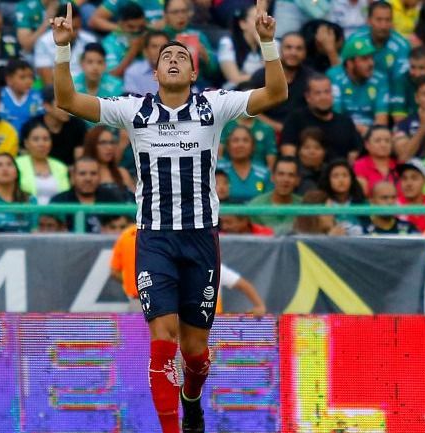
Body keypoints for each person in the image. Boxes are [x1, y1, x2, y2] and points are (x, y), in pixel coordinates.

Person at [50, 0, 287, 429]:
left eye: (182, 57)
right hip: (154, 238)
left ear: (194, 73)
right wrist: (64, 49)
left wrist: (268, 43)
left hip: (200, 238)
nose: (174, 60)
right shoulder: (134, 109)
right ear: (155, 73)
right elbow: (66, 98)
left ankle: (192, 398)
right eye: (166, 57)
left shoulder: (213, 106)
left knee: (195, 353)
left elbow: (276, 93)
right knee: (163, 341)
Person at [111, 224, 268, 314]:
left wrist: (259, 306)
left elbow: (243, 284)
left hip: (208, 322)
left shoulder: (216, 268)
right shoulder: (177, 265)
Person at [345, 1, 410, 112]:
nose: (383, 25)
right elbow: (344, 73)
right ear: (369, 21)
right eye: (379, 20)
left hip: (392, 99)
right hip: (358, 98)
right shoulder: (355, 41)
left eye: (387, 20)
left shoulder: (402, 46)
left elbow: (399, 82)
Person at [280, 74, 361, 161]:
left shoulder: (345, 122)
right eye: (318, 93)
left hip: (338, 172)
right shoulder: (295, 120)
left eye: (327, 92)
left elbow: (355, 154)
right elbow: (288, 155)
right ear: (308, 97)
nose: (323, 97)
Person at [248, 31, 310, 132]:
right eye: (288, 47)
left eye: (299, 48)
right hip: (265, 131)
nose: (293, 53)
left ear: (305, 53)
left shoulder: (311, 79)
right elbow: (249, 109)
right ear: (280, 50)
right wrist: (276, 127)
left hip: (300, 133)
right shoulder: (260, 76)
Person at [328, 37, 389, 134]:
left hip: (371, 135)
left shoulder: (380, 79)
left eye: (371, 58)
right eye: (364, 59)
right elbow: (336, 118)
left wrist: (369, 134)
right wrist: (361, 129)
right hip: (343, 132)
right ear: (350, 63)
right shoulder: (334, 76)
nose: (371, 63)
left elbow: (381, 121)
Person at [49, 157, 127, 232]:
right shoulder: (59, 201)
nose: (88, 178)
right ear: (73, 176)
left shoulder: (112, 199)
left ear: (99, 176)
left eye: (93, 173)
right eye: (82, 174)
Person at [21, 85, 88, 167]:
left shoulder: (78, 125)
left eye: (69, 103)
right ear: (47, 106)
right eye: (62, 104)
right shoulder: (32, 126)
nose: (67, 109)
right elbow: (24, 156)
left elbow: (80, 159)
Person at [34, 3, 96, 86]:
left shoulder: (90, 40)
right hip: (57, 89)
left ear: (81, 23)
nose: (72, 32)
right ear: (58, 24)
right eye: (68, 27)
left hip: (84, 90)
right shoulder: (44, 41)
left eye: (76, 28)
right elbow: (47, 79)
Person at [15, 121, 69, 204]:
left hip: (56, 214)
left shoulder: (60, 167)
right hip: (27, 214)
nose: (41, 144)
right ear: (26, 143)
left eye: (46, 139)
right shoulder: (17, 164)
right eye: (36, 139)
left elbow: (65, 196)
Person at [217, 125, 272, 203]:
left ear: (253, 146)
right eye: (235, 140)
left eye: (245, 140)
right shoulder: (216, 169)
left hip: (255, 214)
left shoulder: (264, 173)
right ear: (228, 146)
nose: (240, 145)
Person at [248, 156, 301, 233]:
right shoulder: (255, 206)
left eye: (291, 175)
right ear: (272, 177)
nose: (285, 179)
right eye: (281, 174)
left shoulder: (304, 206)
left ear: (297, 180)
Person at [82, 125, 134, 199]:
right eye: (103, 143)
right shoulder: (83, 173)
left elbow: (134, 202)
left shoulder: (122, 173)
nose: (109, 147)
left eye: (111, 142)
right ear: (92, 145)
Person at [219, 5, 264, 88]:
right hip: (235, 92)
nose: (261, 23)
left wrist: (263, 44)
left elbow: (274, 73)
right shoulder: (227, 43)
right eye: (256, 19)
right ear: (243, 24)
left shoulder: (270, 43)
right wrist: (261, 77)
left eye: (263, 19)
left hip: (262, 91)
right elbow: (234, 79)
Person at [319, 159, 366, 235]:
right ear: (328, 180)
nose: (341, 180)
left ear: (352, 179)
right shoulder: (321, 204)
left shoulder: (362, 204)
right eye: (335, 176)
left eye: (345, 175)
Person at [99, 3, 147, 77]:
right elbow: (112, 76)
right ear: (120, 23)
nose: (136, 31)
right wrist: (132, 51)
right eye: (131, 27)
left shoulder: (150, 37)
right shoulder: (108, 43)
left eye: (141, 27)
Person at [0, 59, 44, 134]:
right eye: (22, 77)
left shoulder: (38, 98)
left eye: (30, 77)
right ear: (9, 80)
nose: (28, 81)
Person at [353, 125, 396, 196]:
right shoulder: (360, 165)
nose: (383, 145)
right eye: (378, 141)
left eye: (387, 141)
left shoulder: (399, 164)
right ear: (367, 145)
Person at [125, 30, 169, 95]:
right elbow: (133, 103)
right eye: (154, 46)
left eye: (164, 46)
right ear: (145, 51)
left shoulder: (181, 71)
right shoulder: (133, 72)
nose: (160, 51)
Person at [296, 127, 328, 194]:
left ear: (324, 151)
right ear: (299, 151)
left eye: (317, 148)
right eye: (306, 147)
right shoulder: (293, 171)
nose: (312, 152)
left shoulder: (330, 171)